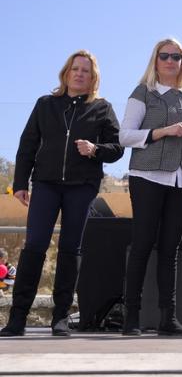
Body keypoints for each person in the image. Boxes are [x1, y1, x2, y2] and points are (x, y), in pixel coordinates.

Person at [1, 50, 123, 337]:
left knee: (70, 249)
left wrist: (95, 150)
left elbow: (117, 148)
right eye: (75, 69)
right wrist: (20, 183)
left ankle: (60, 318)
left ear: (93, 78)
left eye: (86, 71)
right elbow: (27, 143)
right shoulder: (46, 104)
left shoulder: (102, 108)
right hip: (46, 183)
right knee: (34, 246)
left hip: (82, 186)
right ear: (66, 73)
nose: (80, 74)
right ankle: (17, 318)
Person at [119, 38, 182, 336]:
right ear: (155, 60)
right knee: (142, 244)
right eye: (164, 55)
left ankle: (168, 319)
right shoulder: (143, 92)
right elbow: (125, 136)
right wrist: (163, 131)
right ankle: (131, 317)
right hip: (148, 176)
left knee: (171, 249)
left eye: (177, 56)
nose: (171, 61)